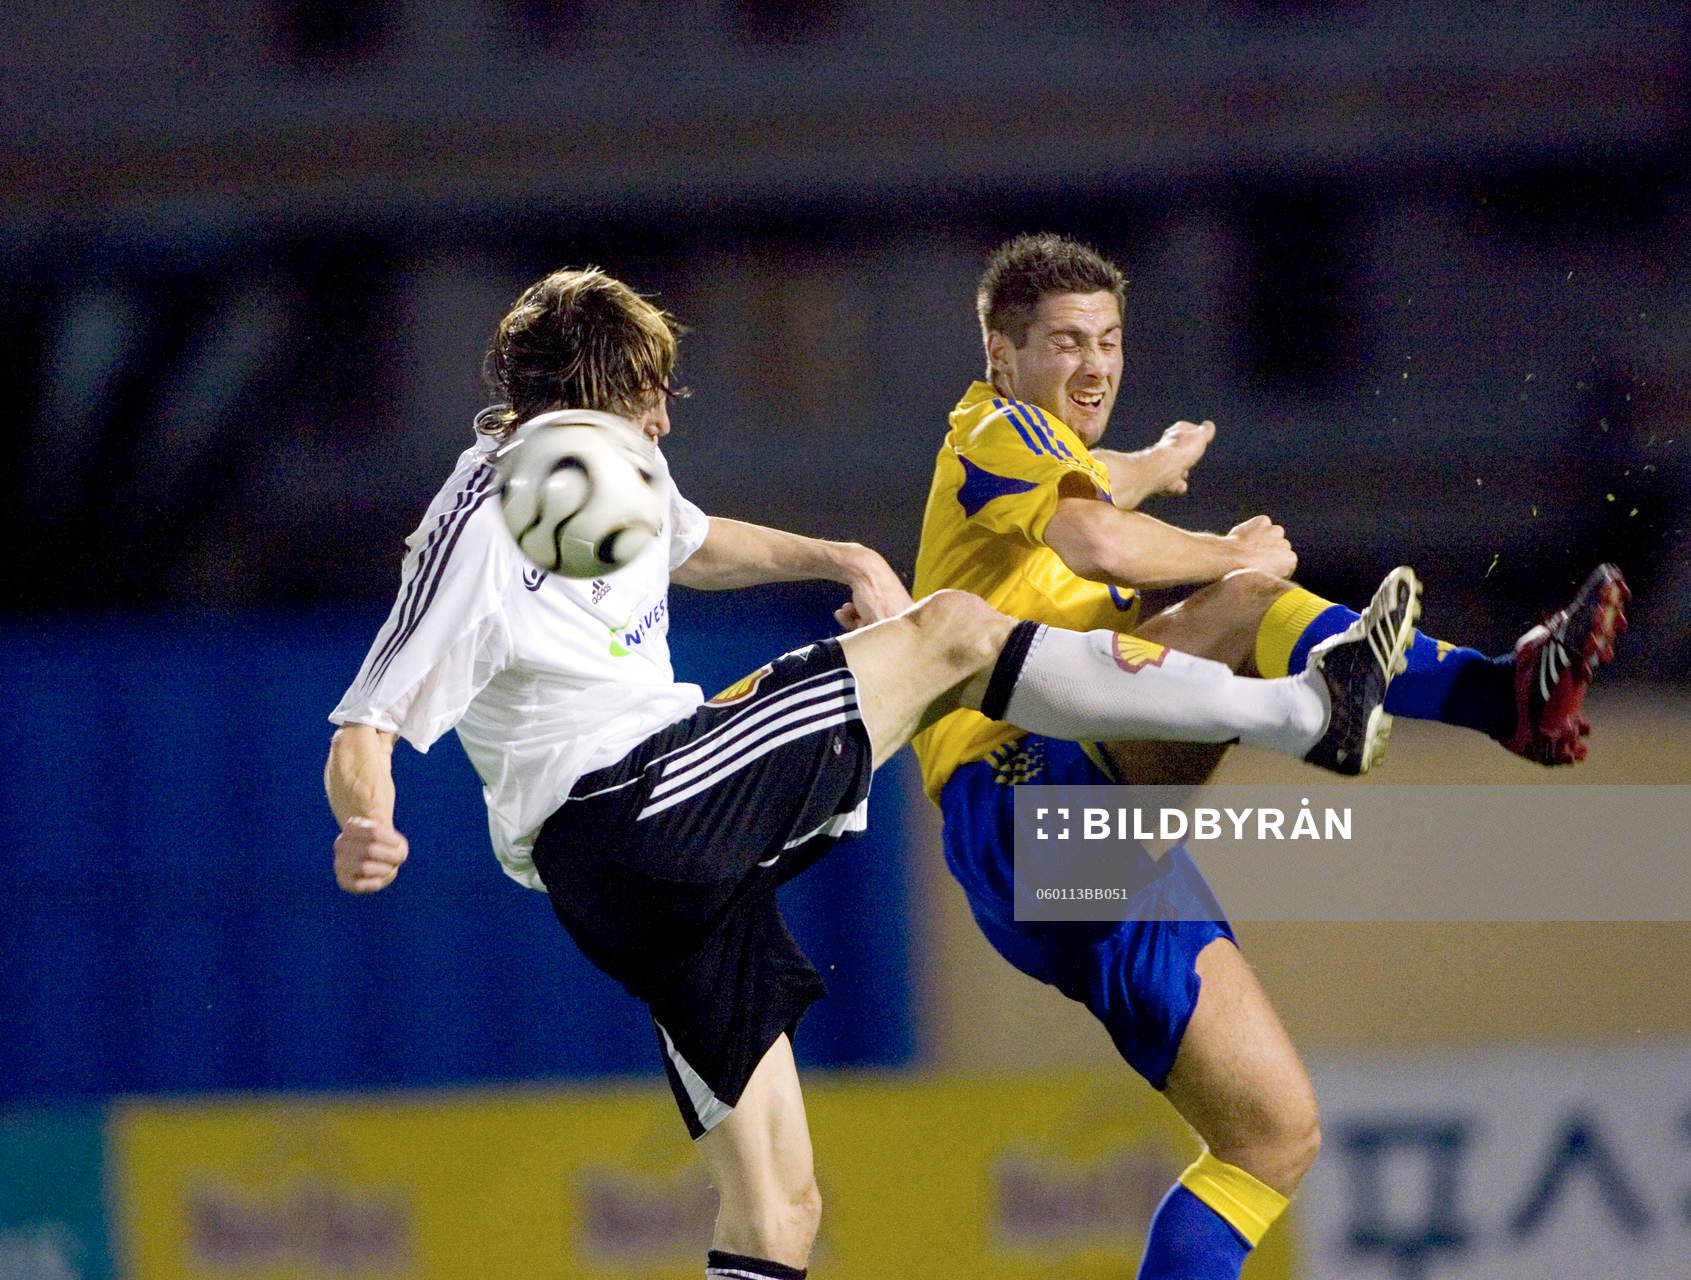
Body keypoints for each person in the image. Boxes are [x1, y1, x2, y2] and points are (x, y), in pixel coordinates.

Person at [324, 266, 1420, 1280]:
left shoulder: (577, 483)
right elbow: (367, 720)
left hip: (642, 885)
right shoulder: (509, 486)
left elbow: (689, 544)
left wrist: (841, 556)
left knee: (777, 1210)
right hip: (646, 802)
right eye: (651, 392)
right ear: (604, 387)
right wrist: (366, 822)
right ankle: (1300, 710)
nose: (663, 418)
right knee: (950, 631)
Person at [911, 232, 1632, 1280]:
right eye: (1064, 341)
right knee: (1244, 597)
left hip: (1092, 851)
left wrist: (1151, 468)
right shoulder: (992, 427)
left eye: (1108, 340)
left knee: (1270, 1137)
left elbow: (1092, 496)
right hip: (1016, 798)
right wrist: (1227, 554)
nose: (1094, 365)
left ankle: (1380, 704)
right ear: (998, 353)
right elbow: (1095, 542)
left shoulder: (1052, 468)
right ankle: (1487, 696)